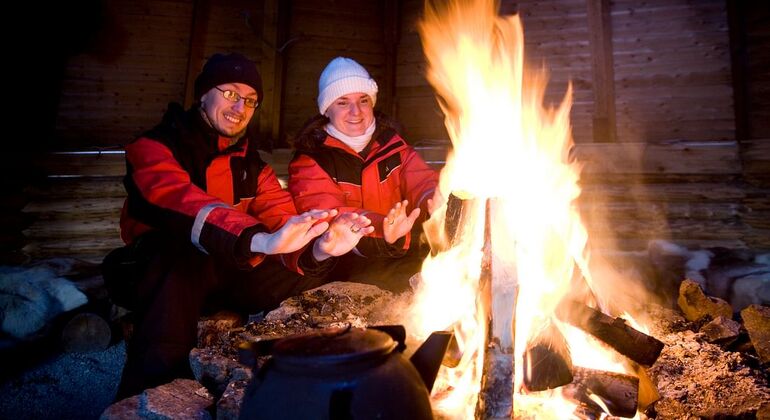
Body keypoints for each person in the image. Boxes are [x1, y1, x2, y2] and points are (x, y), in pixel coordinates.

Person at [103, 52, 374, 400]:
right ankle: (156, 393)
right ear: (203, 94)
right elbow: (181, 201)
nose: (240, 107)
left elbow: (281, 219)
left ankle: (306, 371)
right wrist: (257, 239)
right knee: (179, 254)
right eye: (230, 93)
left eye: (250, 100)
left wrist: (321, 247)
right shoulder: (154, 147)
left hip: (223, 276)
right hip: (153, 274)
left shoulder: (252, 167)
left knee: (310, 269)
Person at [288, 57, 442, 293]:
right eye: (342, 102)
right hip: (343, 267)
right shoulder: (311, 160)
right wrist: (383, 227)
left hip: (397, 251)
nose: (356, 111)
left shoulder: (392, 145)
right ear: (326, 109)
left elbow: (421, 180)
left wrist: (435, 200)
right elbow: (329, 214)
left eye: (363, 100)